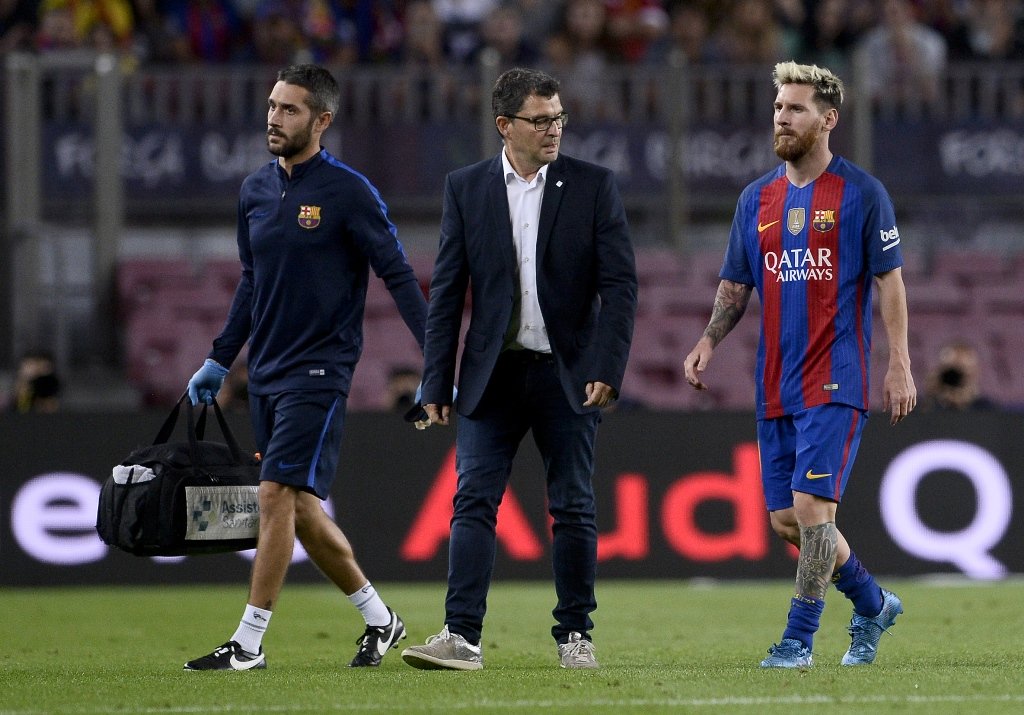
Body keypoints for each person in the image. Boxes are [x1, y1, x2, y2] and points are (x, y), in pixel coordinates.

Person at [182, 63, 428, 671]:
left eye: (289, 109)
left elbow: (396, 273)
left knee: (273, 496)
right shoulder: (255, 191)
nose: (273, 117)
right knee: (301, 509)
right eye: (271, 105)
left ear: (321, 120)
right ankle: (381, 620)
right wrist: (219, 357)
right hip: (265, 371)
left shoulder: (349, 192)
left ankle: (248, 643)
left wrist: (439, 356)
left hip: (320, 371)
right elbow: (251, 281)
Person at [400, 67, 637, 671]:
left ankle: (575, 636)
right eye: (540, 120)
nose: (553, 130)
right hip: (493, 373)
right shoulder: (467, 188)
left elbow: (620, 286)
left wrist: (608, 366)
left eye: (559, 118)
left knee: (574, 506)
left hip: (569, 372)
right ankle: (462, 637)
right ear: (504, 125)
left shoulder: (593, 186)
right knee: (472, 499)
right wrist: (435, 379)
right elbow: (447, 293)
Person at [683, 61, 916, 669]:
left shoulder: (862, 193)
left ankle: (799, 639)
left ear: (828, 119)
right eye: (779, 108)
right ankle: (872, 603)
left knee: (814, 512)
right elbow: (736, 284)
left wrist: (900, 365)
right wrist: (710, 339)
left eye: (796, 109)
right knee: (788, 520)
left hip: (835, 375)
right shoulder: (755, 198)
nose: (782, 118)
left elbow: (890, 281)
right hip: (775, 383)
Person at [921, 338, 997, 410]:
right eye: (951, 373)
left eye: (962, 372)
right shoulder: (925, 409)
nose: (955, 379)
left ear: (975, 373)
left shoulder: (988, 410)